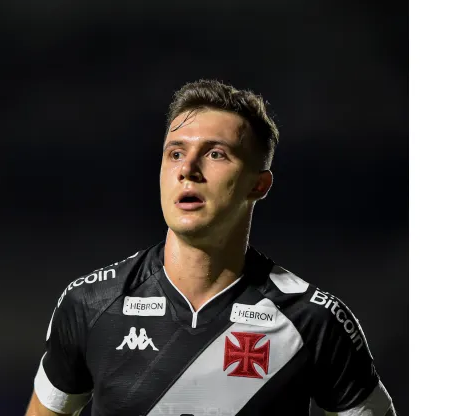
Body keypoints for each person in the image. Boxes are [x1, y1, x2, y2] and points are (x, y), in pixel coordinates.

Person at [24, 80, 396, 416]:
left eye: (215, 154)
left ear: (259, 185)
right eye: (175, 153)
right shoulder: (91, 302)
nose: (188, 168)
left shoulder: (313, 320)